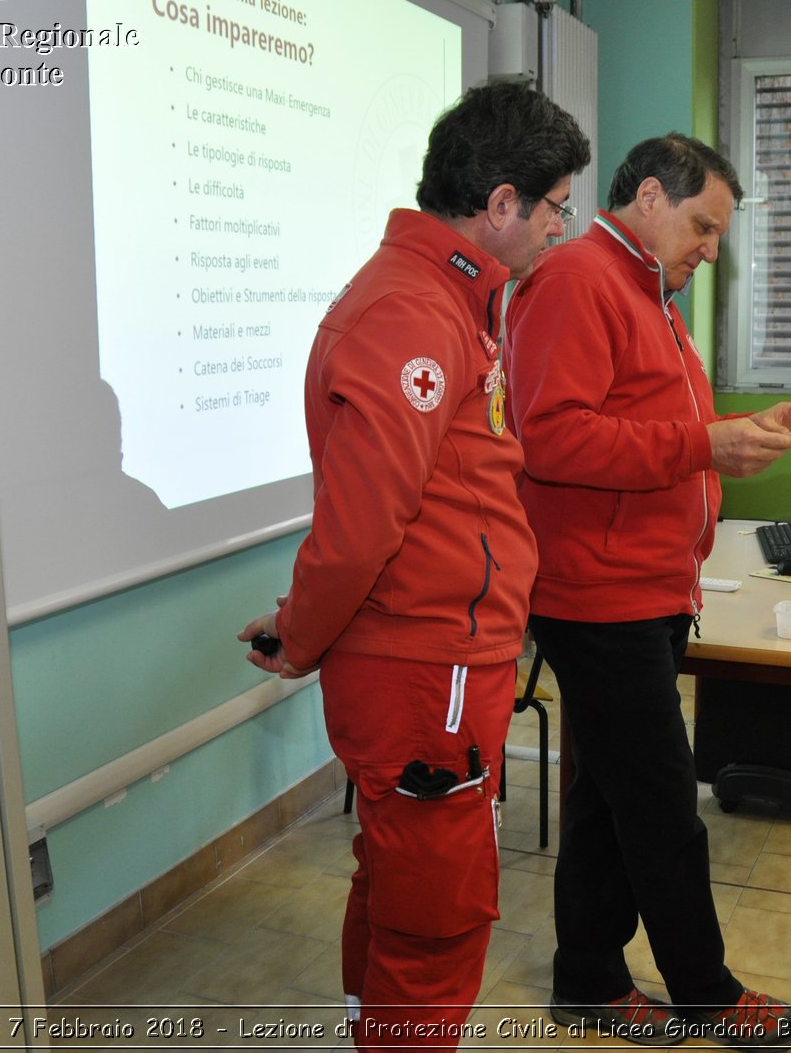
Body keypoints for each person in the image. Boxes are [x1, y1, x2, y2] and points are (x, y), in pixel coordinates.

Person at [238, 82, 590, 1049]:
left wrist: (308, 621)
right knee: (436, 911)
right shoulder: (410, 311)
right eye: (558, 206)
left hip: (433, 648)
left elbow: (413, 508)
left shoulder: (447, 296)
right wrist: (307, 633)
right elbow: (362, 525)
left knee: (398, 880)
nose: (566, 227)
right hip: (425, 663)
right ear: (504, 204)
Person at [504, 133, 791, 1051]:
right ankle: (707, 991)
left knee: (607, 796)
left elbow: (656, 426)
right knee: (664, 807)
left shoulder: (647, 290)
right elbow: (553, 439)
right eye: (703, 227)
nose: (712, 249)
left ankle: (588, 979)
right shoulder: (575, 282)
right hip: (596, 598)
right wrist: (704, 446)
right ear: (648, 196)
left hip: (649, 589)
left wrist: (742, 429)